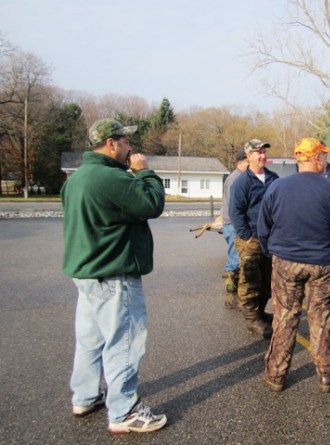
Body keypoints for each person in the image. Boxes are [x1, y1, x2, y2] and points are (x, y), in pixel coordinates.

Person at [61, 118, 167, 433]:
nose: (129, 147)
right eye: (125, 141)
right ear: (110, 143)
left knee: (90, 340)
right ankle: (124, 411)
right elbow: (152, 203)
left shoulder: (77, 178)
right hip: (113, 273)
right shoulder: (110, 177)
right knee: (124, 340)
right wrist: (144, 171)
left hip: (87, 273)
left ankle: (85, 396)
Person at [258, 138, 330, 393]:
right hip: (323, 264)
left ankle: (276, 375)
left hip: (286, 263)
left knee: (284, 318)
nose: (326, 161)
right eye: (324, 156)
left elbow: (263, 227)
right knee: (320, 319)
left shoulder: (277, 188)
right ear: (317, 158)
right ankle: (326, 374)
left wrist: (271, 252)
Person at [229, 139, 279, 338]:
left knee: (267, 278)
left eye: (264, 152)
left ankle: (260, 312)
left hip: (269, 239)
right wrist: (246, 236)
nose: (262, 156)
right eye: (258, 152)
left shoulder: (274, 179)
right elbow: (236, 212)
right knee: (250, 279)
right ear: (248, 156)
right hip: (250, 239)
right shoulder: (242, 182)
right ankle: (252, 320)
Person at [221, 150, 249, 309]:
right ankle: (232, 296)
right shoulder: (236, 179)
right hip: (233, 225)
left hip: (232, 224)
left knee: (237, 258)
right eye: (247, 162)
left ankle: (238, 295)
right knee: (235, 260)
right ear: (240, 163)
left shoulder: (238, 177)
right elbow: (235, 207)